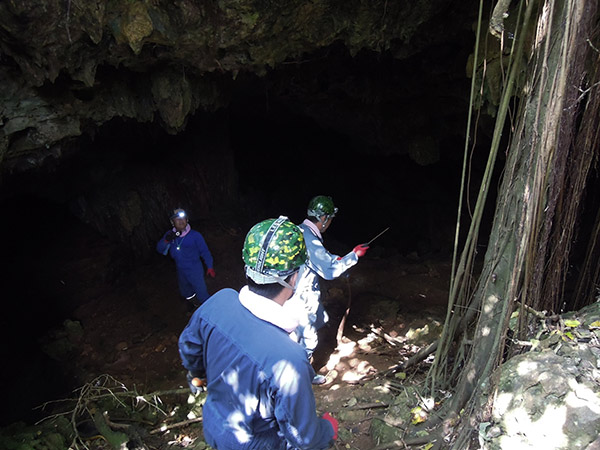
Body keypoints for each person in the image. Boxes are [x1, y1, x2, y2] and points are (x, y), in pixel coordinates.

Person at [178, 216, 338, 450]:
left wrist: (199, 376)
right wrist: (327, 429)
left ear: (248, 267)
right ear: (293, 277)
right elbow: (303, 440)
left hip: (214, 426)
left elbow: (189, 346)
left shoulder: (218, 302)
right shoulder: (290, 359)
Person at [287, 195, 368, 384]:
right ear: (323, 218)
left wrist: (342, 263)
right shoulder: (309, 237)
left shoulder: (302, 230)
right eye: (330, 218)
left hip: (292, 291)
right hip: (301, 295)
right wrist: (354, 256)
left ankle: (293, 345)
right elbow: (328, 269)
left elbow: (321, 258)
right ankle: (301, 377)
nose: (330, 222)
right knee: (309, 339)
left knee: (321, 318)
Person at [156, 208, 215, 309]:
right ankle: (193, 305)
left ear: (187, 220)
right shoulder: (170, 235)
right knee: (186, 291)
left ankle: (211, 311)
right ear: (172, 222)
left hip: (194, 269)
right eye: (177, 219)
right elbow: (159, 249)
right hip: (180, 270)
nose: (181, 221)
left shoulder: (195, 235)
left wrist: (209, 266)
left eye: (183, 218)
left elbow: (205, 251)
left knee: (202, 293)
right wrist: (166, 240)